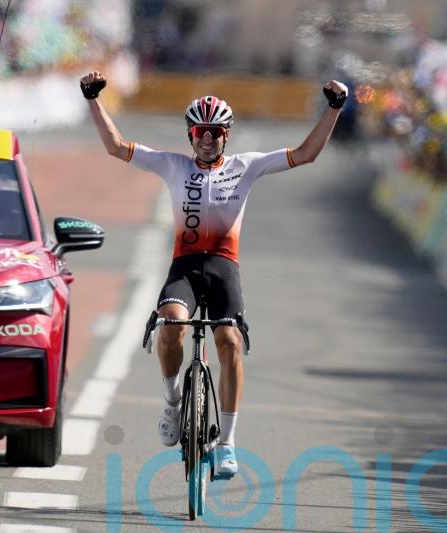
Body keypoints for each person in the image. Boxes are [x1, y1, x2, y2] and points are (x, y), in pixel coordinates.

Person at [79, 70, 348, 478]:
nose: (208, 138)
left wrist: (334, 109)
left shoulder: (247, 166)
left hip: (224, 268)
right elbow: (117, 147)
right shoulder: (172, 166)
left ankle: (227, 443)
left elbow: (305, 153)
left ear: (227, 135)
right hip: (184, 268)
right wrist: (93, 99)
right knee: (171, 326)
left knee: (229, 341)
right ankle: (172, 403)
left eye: (217, 132)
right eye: (201, 131)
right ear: (191, 134)